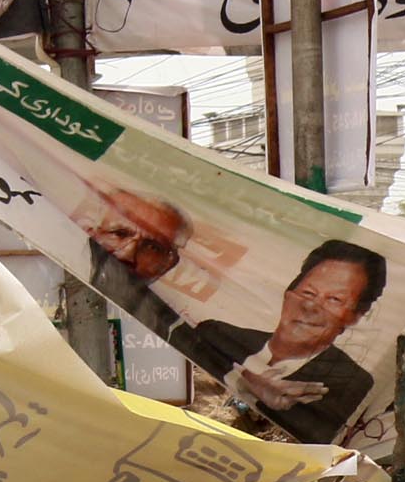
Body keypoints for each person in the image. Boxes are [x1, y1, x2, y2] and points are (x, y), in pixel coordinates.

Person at [179, 240, 386, 443]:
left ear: (356, 316)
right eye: (308, 293)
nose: (311, 307)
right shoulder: (216, 333)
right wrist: (244, 383)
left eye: (334, 300)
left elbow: (325, 439)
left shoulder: (352, 382)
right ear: (288, 295)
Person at [77, 184, 192, 342]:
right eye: (119, 234)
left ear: (169, 263)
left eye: (152, 247)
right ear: (92, 233)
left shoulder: (175, 333)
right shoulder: (51, 284)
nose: (127, 254)